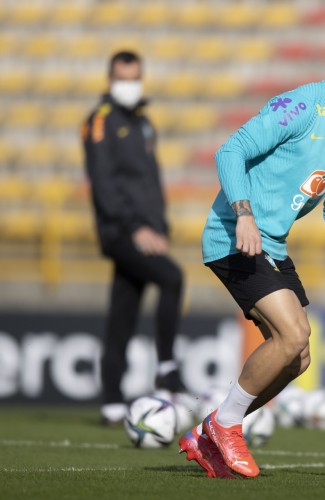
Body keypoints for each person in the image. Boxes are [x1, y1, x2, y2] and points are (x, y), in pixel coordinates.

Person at [178, 22, 325, 479]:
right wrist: (243, 214)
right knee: (293, 334)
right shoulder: (299, 106)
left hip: (271, 244)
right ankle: (226, 426)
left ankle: (211, 431)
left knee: (299, 358)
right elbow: (230, 151)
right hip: (234, 235)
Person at [82, 51, 186, 426]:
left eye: (135, 77)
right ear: (110, 80)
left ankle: (111, 399)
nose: (130, 85)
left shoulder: (143, 123)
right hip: (120, 232)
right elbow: (104, 185)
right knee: (172, 277)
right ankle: (167, 365)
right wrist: (134, 228)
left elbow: (151, 183)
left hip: (147, 231)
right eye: (123, 78)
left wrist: (159, 227)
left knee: (123, 311)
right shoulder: (99, 121)